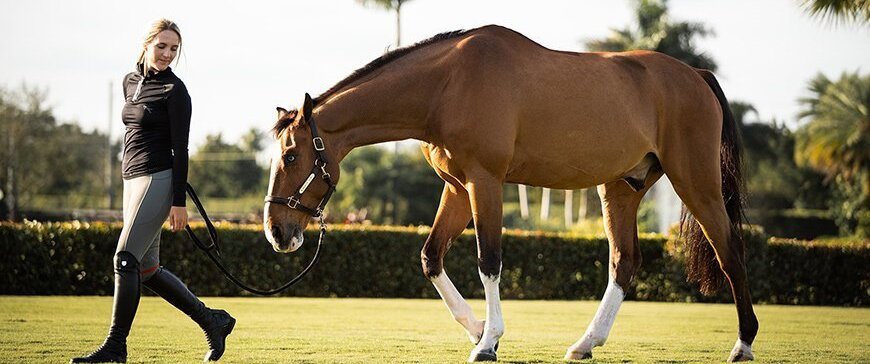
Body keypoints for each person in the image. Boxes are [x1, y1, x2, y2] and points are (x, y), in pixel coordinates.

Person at [71, 19, 235, 363]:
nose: (167, 54)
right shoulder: (129, 81)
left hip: (158, 178)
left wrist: (178, 202)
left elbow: (182, 149)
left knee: (124, 258)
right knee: (146, 269)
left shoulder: (176, 92)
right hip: (131, 180)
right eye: (161, 46)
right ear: (146, 44)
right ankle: (212, 321)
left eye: (174, 49)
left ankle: (115, 347)